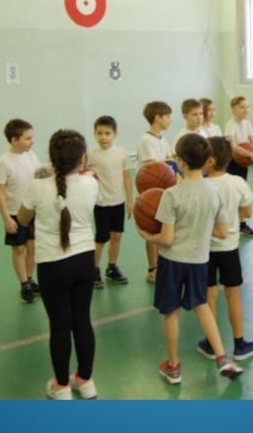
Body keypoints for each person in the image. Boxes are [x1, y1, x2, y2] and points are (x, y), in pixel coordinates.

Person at [137, 134, 244, 384]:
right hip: (199, 261)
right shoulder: (215, 192)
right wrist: (201, 229)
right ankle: (222, 357)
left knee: (171, 314)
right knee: (202, 306)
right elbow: (223, 232)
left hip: (172, 262)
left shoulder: (171, 194)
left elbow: (166, 239)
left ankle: (173, 367)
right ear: (207, 160)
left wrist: (146, 235)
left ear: (180, 161)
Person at [18, 130, 100, 400]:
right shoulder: (91, 183)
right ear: (82, 158)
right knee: (82, 321)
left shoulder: (37, 186)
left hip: (52, 265)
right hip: (84, 260)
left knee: (60, 325)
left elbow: (22, 219)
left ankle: (62, 386)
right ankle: (85, 382)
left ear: (52, 158)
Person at [196, 136, 253, 361]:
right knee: (233, 295)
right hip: (229, 248)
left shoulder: (201, 185)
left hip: (205, 250)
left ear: (210, 161)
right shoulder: (237, 182)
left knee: (210, 296)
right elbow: (247, 212)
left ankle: (211, 344)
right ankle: (240, 345)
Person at [0, 118, 41, 304]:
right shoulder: (4, 162)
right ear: (14, 140)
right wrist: (6, 218)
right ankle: (24, 284)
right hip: (14, 213)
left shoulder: (32, 156)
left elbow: (38, 181)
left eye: (32, 137)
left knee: (33, 247)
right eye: (28, 138)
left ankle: (30, 279)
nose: (32, 141)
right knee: (19, 249)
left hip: (32, 211)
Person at [86, 115, 132, 288]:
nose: (103, 137)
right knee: (101, 239)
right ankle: (94, 270)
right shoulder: (90, 155)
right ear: (94, 134)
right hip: (101, 204)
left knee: (117, 236)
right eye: (99, 133)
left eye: (107, 133)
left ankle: (111, 268)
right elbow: (82, 174)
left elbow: (127, 178)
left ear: (115, 134)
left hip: (118, 202)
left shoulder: (122, 153)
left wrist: (130, 200)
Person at [137, 101, 175, 283]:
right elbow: (156, 168)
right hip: (150, 193)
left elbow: (169, 160)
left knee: (163, 229)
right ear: (157, 118)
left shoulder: (162, 139)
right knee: (152, 230)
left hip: (164, 191)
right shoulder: (146, 140)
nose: (170, 120)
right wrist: (170, 165)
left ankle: (162, 264)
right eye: (167, 116)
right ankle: (152, 268)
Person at [225, 96, 253, 238]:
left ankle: (241, 225)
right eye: (242, 107)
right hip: (232, 162)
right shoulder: (230, 125)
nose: (245, 110)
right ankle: (226, 223)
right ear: (233, 110)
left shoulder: (247, 124)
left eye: (247, 107)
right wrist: (250, 154)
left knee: (241, 193)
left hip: (243, 163)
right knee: (231, 194)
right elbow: (233, 146)